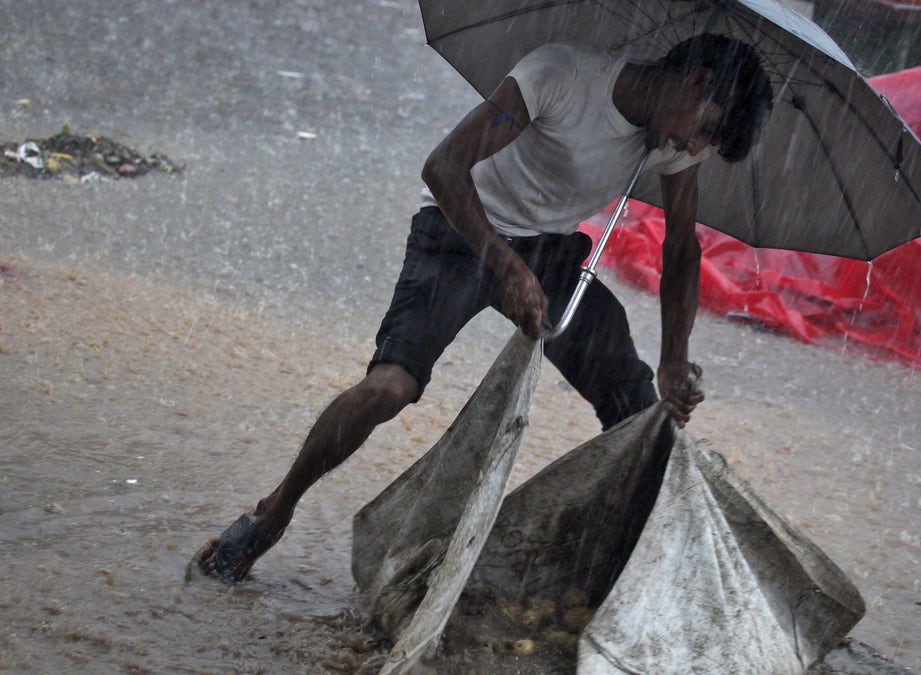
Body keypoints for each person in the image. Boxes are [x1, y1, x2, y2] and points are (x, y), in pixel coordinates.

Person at [192, 33, 773, 583]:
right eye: (705, 132)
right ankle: (274, 514)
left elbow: (680, 247)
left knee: (636, 404)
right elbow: (443, 167)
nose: (694, 149)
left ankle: (624, 565)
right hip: (458, 233)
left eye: (705, 147)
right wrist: (506, 267)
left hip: (547, 253)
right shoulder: (560, 74)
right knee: (391, 387)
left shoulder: (671, 144)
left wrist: (675, 357)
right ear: (696, 82)